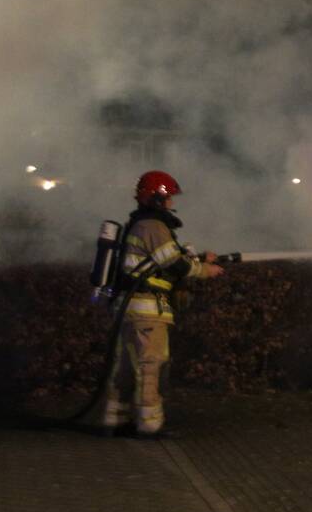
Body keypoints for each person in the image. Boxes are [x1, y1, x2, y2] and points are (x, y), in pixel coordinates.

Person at [83, 170, 224, 437]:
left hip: (129, 308)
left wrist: (203, 257)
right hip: (148, 310)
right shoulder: (154, 226)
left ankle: (115, 419)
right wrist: (206, 270)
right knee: (151, 364)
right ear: (157, 198)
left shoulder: (140, 224)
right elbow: (176, 264)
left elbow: (160, 259)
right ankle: (149, 424)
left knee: (125, 365)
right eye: (168, 196)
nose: (172, 202)